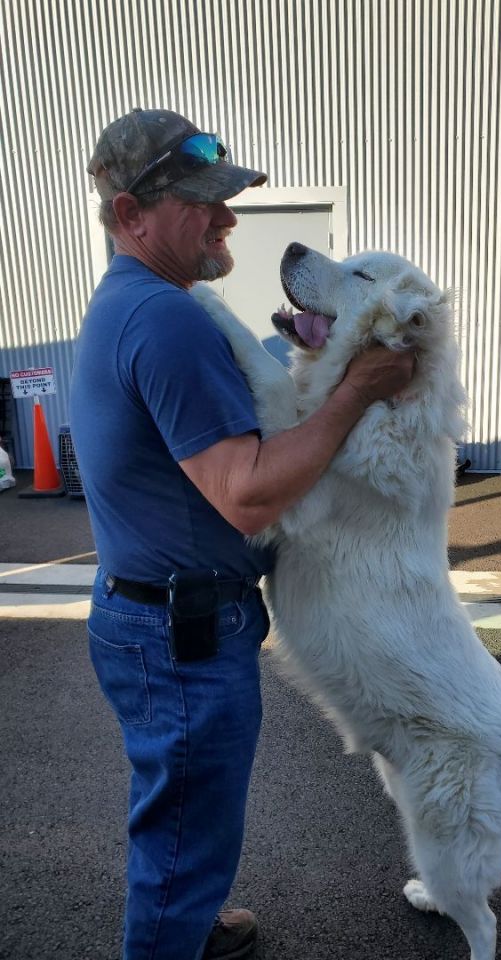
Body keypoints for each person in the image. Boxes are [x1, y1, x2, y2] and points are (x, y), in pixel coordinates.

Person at [70, 108, 414, 960]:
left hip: (156, 618)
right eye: (202, 201)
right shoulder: (167, 319)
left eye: (226, 199)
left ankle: (190, 920)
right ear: (130, 216)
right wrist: (359, 388)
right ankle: (172, 932)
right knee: (183, 831)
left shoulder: (136, 303)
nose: (228, 217)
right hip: (179, 634)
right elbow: (249, 494)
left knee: (188, 808)